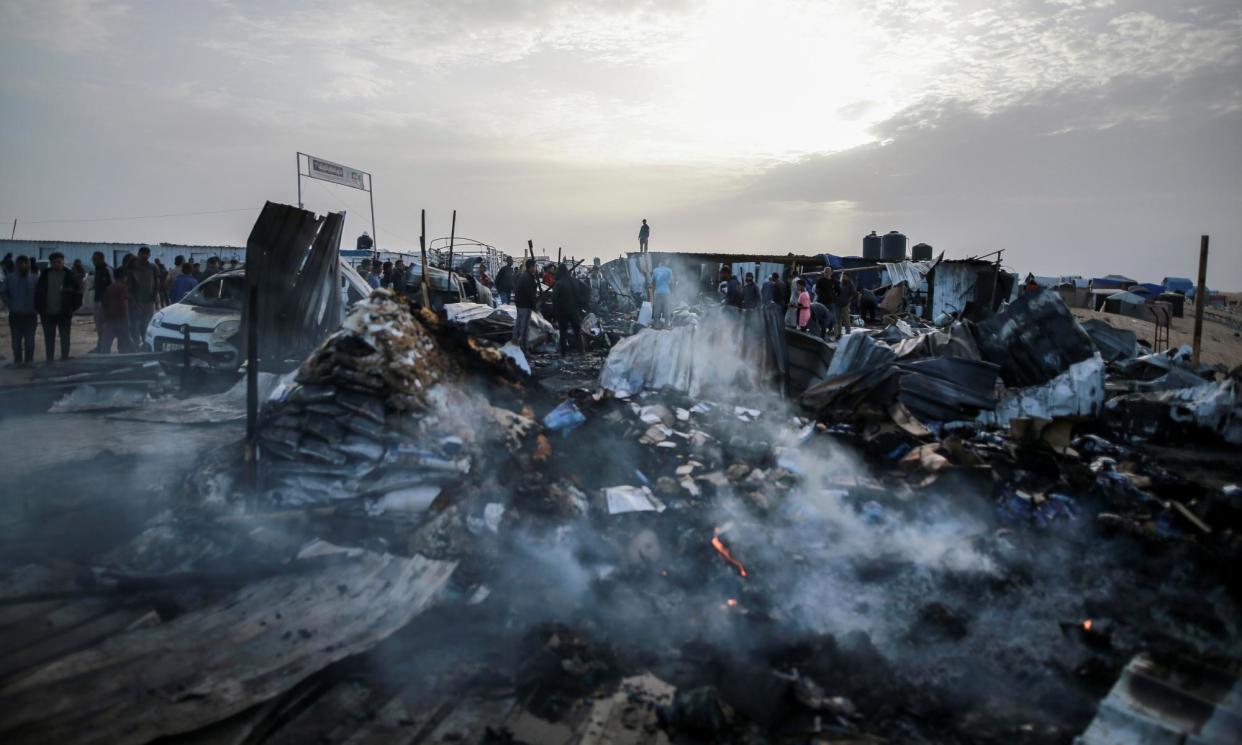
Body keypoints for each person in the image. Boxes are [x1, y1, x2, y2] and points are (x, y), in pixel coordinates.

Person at [35, 251, 83, 362]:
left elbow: (79, 292)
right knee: (49, 338)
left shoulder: (69, 275)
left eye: (59, 262)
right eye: (55, 262)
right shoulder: (44, 275)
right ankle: (49, 359)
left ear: (63, 262)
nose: (57, 264)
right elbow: (38, 293)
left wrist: (72, 308)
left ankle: (65, 357)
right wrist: (39, 308)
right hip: (47, 313)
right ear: (51, 263)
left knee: (65, 337)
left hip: (64, 313)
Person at [1, 255, 39, 367]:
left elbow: (40, 295)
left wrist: (37, 306)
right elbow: (3, 293)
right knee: (16, 340)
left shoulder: (35, 278)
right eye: (20, 263)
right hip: (15, 314)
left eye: (25, 263)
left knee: (30, 340)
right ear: (16, 265)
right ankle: (17, 360)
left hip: (31, 314)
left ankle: (29, 361)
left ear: (29, 264)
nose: (23, 265)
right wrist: (11, 304)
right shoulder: (10, 278)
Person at [127, 246, 159, 349]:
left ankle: (146, 345)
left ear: (149, 255)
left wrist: (154, 296)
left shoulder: (153, 267)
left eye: (146, 253)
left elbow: (157, 283)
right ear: (139, 254)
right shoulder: (132, 267)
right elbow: (129, 286)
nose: (144, 255)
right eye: (142, 253)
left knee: (146, 326)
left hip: (149, 301)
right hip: (136, 302)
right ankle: (135, 346)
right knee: (135, 326)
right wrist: (133, 301)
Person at [99, 265, 133, 353]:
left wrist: (105, 316)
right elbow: (124, 303)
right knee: (125, 340)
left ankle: (103, 359)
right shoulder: (123, 287)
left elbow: (104, 303)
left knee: (106, 341)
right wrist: (127, 319)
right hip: (121, 317)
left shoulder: (110, 287)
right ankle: (126, 358)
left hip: (109, 317)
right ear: (124, 277)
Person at [553, 264, 584, 356]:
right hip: (574, 311)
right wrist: (582, 305)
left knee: (563, 334)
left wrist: (555, 314)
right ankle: (581, 351)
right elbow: (585, 290)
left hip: (562, 312)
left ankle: (564, 354)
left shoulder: (558, 283)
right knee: (577, 332)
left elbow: (555, 299)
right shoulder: (575, 281)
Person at [512, 258, 537, 353]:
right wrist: (533, 305)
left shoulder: (524, 276)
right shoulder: (528, 277)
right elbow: (529, 293)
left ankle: (514, 344)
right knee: (524, 328)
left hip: (520, 304)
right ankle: (523, 348)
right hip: (525, 305)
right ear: (530, 267)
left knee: (518, 324)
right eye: (534, 267)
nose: (535, 269)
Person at [90, 251, 112, 353]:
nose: (94, 262)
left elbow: (112, 286)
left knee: (105, 327)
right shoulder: (97, 270)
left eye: (96, 259)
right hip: (97, 301)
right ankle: (100, 346)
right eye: (93, 260)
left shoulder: (107, 269)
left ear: (102, 259)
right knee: (99, 326)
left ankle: (104, 348)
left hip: (106, 303)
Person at [651, 257, 673, 328]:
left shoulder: (655, 270)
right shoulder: (669, 270)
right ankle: (667, 324)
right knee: (666, 308)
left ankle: (656, 324)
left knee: (657, 308)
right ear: (665, 262)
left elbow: (651, 282)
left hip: (657, 292)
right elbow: (671, 282)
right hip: (666, 292)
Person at [836, 273, 857, 338]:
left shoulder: (850, 284)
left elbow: (853, 294)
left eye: (845, 276)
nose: (843, 277)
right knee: (837, 319)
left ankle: (848, 332)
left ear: (848, 277)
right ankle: (838, 333)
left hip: (845, 303)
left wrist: (848, 301)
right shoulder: (839, 283)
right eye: (843, 276)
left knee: (845, 318)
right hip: (837, 303)